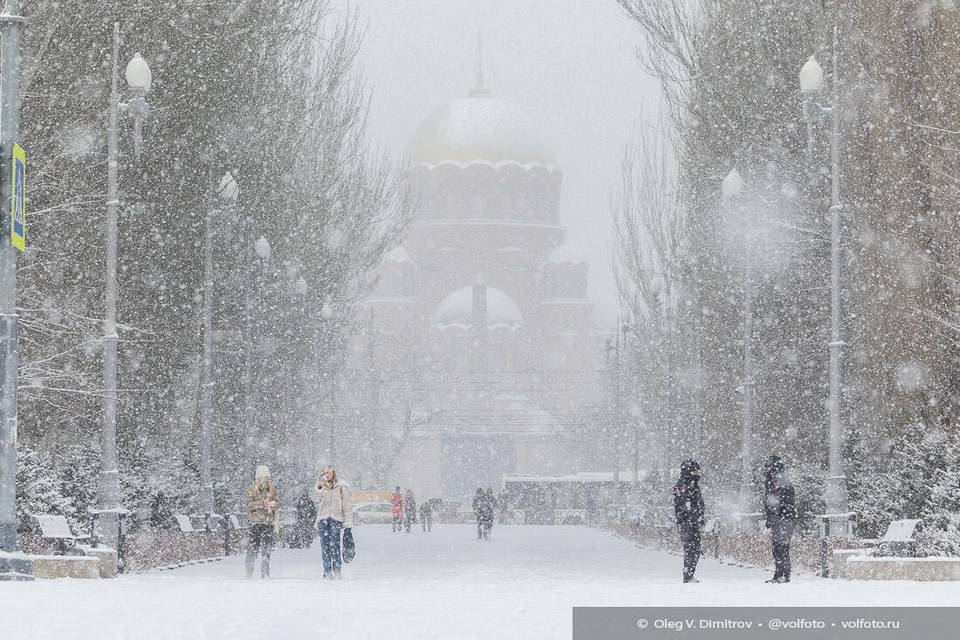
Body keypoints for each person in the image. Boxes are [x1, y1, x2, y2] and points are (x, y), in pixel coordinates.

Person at [311, 465, 353, 579]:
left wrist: (348, 523)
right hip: (323, 519)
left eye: (328, 472)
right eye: (324, 473)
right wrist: (320, 487)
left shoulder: (341, 486)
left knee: (335, 545)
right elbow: (315, 499)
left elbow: (347, 505)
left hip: (336, 519)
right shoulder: (320, 486)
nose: (326, 475)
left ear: (333, 473)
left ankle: (337, 570)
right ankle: (327, 571)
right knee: (325, 547)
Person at [763, 455, 798, 583]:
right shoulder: (771, 481)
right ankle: (778, 574)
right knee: (777, 547)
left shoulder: (780, 482)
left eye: (768, 466)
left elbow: (784, 502)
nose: (765, 469)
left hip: (784, 519)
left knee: (782, 547)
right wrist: (771, 516)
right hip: (780, 519)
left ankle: (784, 575)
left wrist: (777, 516)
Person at [244, 465, 280, 578]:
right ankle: (249, 570)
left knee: (266, 549)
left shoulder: (272, 489)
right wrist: (260, 504)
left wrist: (272, 505)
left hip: (268, 523)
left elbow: (278, 503)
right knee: (253, 549)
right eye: (261, 477)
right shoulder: (252, 489)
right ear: (257, 478)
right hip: (255, 523)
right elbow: (248, 506)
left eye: (266, 477)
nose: (263, 480)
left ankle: (265, 571)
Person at [673, 459, 705, 583]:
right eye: (695, 470)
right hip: (688, 523)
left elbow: (696, 504)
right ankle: (688, 574)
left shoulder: (692, 485)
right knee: (691, 547)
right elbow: (684, 505)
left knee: (694, 547)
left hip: (692, 522)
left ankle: (690, 573)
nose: (698, 473)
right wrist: (692, 518)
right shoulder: (684, 485)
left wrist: (699, 518)